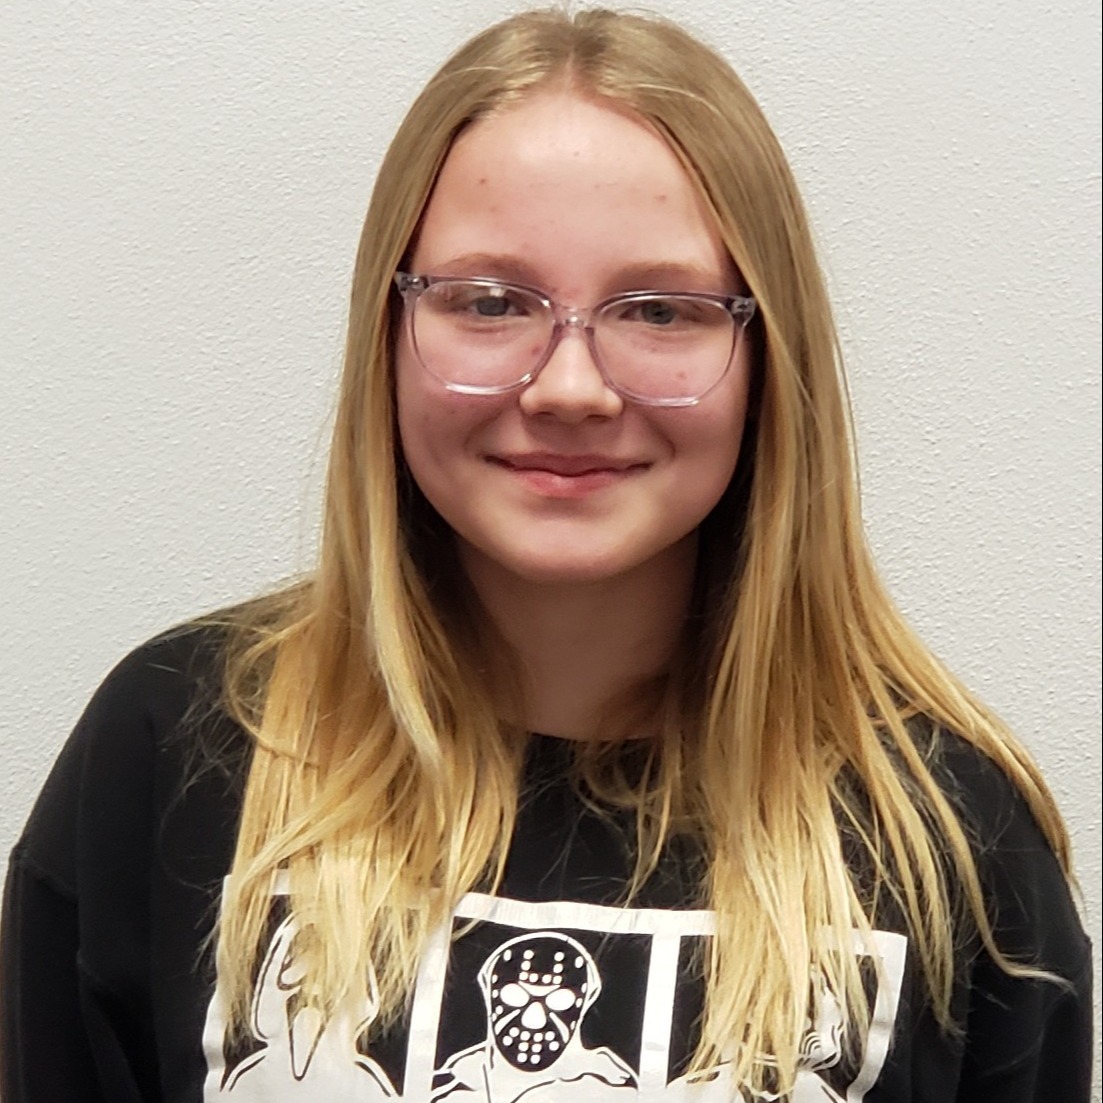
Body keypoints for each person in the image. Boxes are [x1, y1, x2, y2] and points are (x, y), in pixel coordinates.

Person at [0, 7, 1091, 1102]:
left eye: (659, 309)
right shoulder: (171, 750)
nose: (569, 387)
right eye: (488, 301)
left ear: (767, 354)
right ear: (387, 328)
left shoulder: (945, 836)